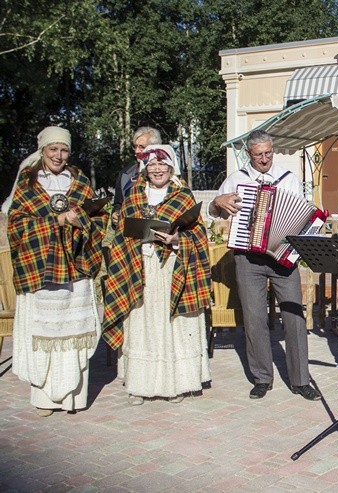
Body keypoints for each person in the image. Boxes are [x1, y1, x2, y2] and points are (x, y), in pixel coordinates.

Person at [208, 130, 321, 401]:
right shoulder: (236, 180)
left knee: (294, 316)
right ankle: (262, 378)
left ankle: (300, 379)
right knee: (254, 317)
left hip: (282, 258)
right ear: (248, 154)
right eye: (258, 154)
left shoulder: (288, 179)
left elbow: (302, 214)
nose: (264, 159)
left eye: (268, 153)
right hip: (248, 257)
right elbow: (212, 213)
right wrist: (216, 202)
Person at [8, 126, 107, 416]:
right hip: (41, 270)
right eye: (53, 149)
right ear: (42, 151)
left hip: (76, 268)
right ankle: (44, 399)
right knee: (44, 333)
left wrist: (82, 224)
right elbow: (15, 226)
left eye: (63, 150)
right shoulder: (28, 185)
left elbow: (99, 220)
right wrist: (57, 222)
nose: (58, 155)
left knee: (73, 332)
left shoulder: (79, 182)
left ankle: (73, 398)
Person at [103, 145, 212, 405]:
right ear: (144, 168)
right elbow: (120, 235)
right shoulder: (133, 197)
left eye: (162, 164)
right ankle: (140, 384)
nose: (157, 169)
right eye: (151, 164)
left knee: (173, 325)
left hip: (172, 267)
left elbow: (199, 235)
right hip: (140, 267)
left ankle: (178, 384)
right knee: (144, 325)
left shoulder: (183, 196)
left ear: (171, 166)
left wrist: (177, 239)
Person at [111, 127, 163, 228]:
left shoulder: (166, 174)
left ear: (155, 148)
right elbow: (118, 202)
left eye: (142, 147)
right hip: (128, 232)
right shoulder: (125, 174)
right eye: (135, 147)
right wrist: (115, 213)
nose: (137, 151)